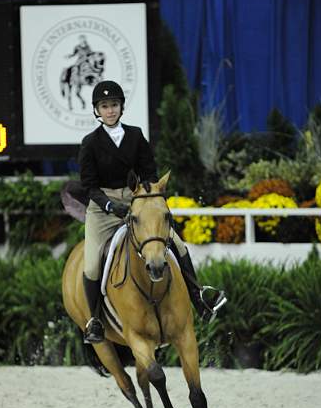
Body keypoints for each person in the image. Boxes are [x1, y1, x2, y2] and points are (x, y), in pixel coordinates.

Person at [79, 80, 218, 344]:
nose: (110, 110)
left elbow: (150, 170)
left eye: (114, 105)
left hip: (138, 200)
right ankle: (94, 320)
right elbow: (89, 186)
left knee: (176, 243)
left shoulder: (135, 135)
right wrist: (109, 205)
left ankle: (198, 297)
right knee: (93, 262)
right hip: (102, 207)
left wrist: (146, 193)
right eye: (105, 106)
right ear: (98, 110)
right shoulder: (90, 143)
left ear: (121, 108)